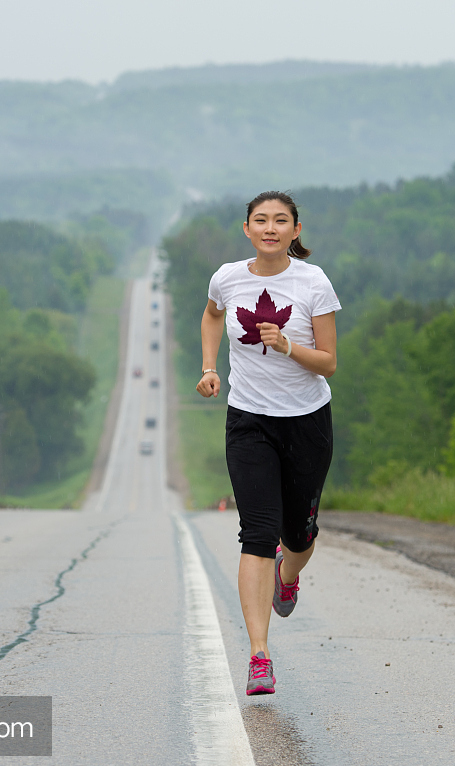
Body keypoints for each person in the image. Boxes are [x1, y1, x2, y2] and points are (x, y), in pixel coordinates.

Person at [196, 190, 340, 696]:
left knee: (299, 535)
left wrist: (287, 345)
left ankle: (289, 572)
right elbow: (213, 315)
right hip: (248, 421)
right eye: (262, 220)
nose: (271, 228)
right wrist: (211, 368)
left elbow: (329, 363)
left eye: (282, 220)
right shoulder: (227, 277)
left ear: (296, 231)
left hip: (306, 422)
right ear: (247, 228)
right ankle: (259, 655)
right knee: (256, 532)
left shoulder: (313, 281)